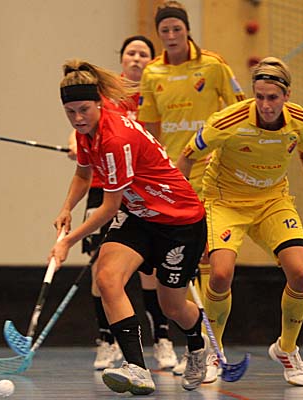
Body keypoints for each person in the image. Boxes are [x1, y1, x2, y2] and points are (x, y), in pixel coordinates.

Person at [176, 56, 303, 387]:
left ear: (287, 95)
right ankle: (213, 351)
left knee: (301, 273)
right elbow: (187, 155)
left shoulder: (300, 120)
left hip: (272, 201)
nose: (266, 105)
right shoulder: (227, 121)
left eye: (273, 98)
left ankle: (286, 349)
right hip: (225, 202)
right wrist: (182, 208)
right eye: (260, 97)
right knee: (220, 274)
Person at [51, 59, 209, 394]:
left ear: (99, 103)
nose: (77, 119)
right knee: (107, 277)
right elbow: (83, 173)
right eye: (70, 112)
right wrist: (66, 208)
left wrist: (67, 241)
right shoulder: (86, 132)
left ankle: (198, 345)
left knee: (172, 307)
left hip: (179, 221)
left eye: (83, 110)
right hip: (139, 216)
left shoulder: (115, 139)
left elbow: (109, 208)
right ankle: (137, 368)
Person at [137, 0, 246, 380]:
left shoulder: (213, 65)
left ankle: (211, 349)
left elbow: (240, 110)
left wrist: (230, 150)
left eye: (177, 29)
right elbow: (149, 129)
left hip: (213, 174)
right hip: (173, 178)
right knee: (182, 261)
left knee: (208, 259)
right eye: (164, 31)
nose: (171, 36)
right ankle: (198, 346)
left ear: (187, 30)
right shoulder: (152, 72)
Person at [66, 36, 178, 371]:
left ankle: (162, 338)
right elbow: (79, 127)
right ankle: (107, 340)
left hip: (140, 189)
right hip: (102, 186)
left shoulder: (156, 94)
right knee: (101, 268)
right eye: (131, 52)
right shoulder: (100, 95)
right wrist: (73, 143)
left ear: (151, 60)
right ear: (122, 58)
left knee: (149, 270)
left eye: (144, 53)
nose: (137, 58)